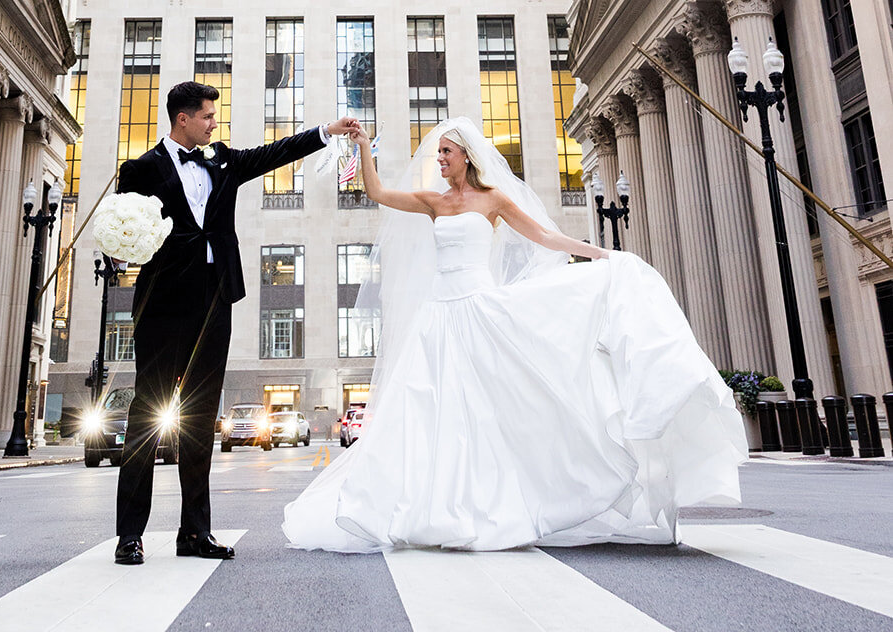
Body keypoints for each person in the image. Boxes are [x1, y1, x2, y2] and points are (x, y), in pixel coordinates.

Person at [283, 117, 746, 553]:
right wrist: (364, 147)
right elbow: (378, 192)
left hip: (481, 311)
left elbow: (544, 237)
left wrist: (599, 255)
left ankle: (508, 498)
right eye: (438, 152)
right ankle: (432, 507)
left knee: (493, 410)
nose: (439, 158)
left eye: (446, 151)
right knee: (431, 410)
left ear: (466, 155)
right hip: (439, 318)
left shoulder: (494, 200)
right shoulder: (434, 202)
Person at [113, 80, 359, 565]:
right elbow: (126, 231)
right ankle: (129, 535)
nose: (212, 123)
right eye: (206, 115)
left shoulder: (223, 160)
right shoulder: (139, 170)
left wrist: (326, 132)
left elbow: (275, 152)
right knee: (146, 416)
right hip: (162, 304)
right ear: (182, 118)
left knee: (201, 420)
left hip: (214, 301)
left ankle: (194, 533)